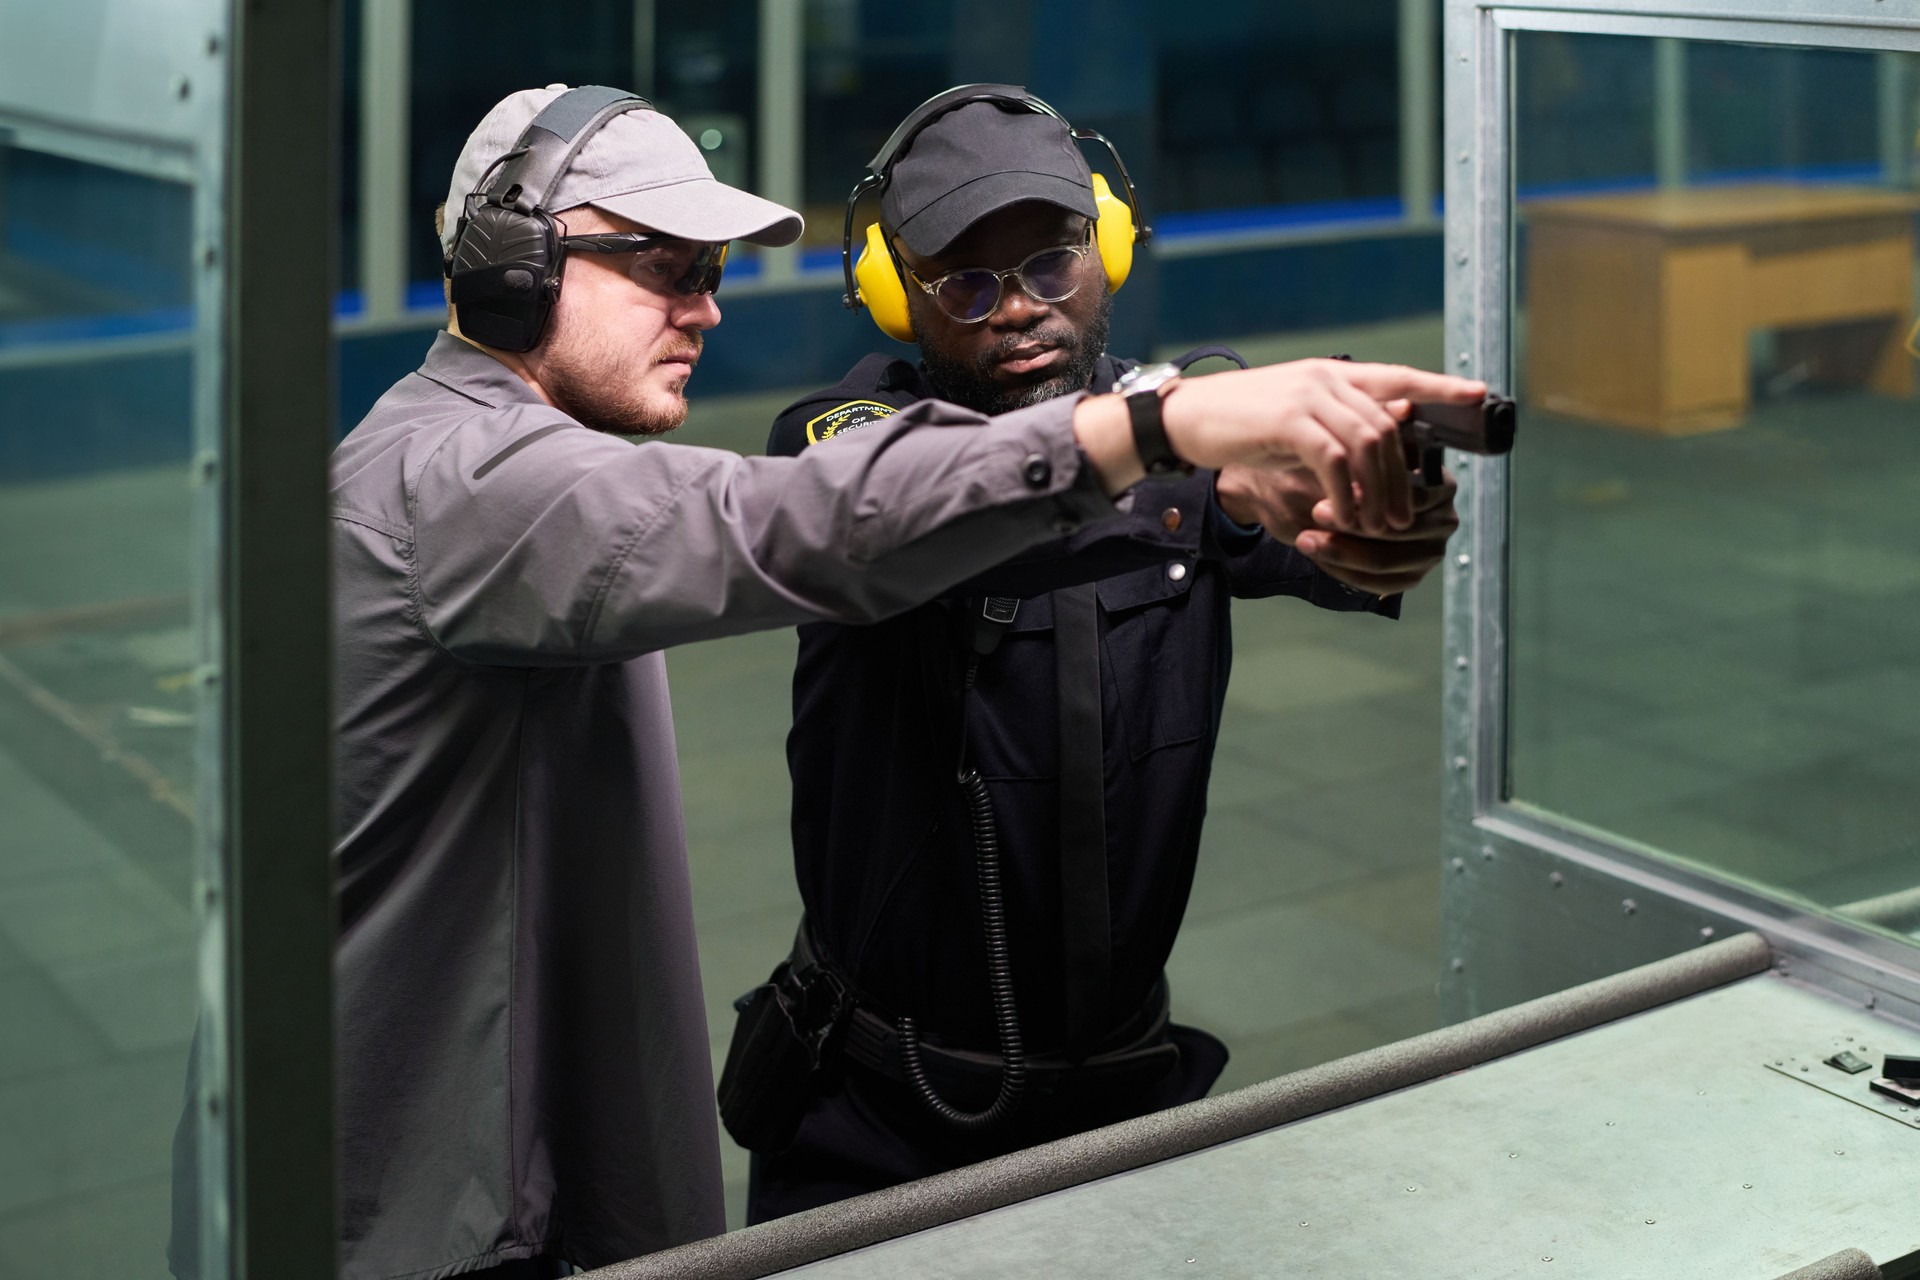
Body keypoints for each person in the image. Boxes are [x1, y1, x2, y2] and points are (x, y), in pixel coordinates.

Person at [171, 83, 1482, 1280]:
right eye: (662, 266)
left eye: (712, 269)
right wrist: (1169, 440)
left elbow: (1267, 514)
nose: (707, 306)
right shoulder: (473, 483)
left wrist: (1359, 496)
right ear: (513, 271)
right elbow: (816, 516)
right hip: (426, 1223)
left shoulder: (526, 467)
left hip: (492, 1185)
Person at [730, 87, 1463, 1223]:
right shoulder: (835, 445)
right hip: (882, 1115)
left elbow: (1304, 533)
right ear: (894, 298)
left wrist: (1372, 505)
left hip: (1125, 1102)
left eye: (1047, 265)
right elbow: (922, 514)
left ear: (1107, 250)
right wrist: (1191, 471)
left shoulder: (1183, 431)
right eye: (965, 284)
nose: (1016, 310)